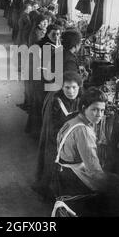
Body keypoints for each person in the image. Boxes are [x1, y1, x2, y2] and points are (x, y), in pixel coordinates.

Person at [54, 87, 119, 216]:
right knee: (118, 190)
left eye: (102, 110)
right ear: (83, 108)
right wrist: (110, 184)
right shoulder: (83, 131)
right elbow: (94, 170)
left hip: (62, 172)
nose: (99, 115)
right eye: (94, 110)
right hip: (72, 179)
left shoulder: (73, 120)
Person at [34, 71, 82, 200]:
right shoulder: (55, 102)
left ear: (79, 87)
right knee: (52, 165)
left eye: (74, 88)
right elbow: (52, 127)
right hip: (55, 139)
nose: (71, 91)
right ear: (61, 87)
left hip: (70, 139)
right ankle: (48, 192)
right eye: (67, 87)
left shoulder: (79, 100)